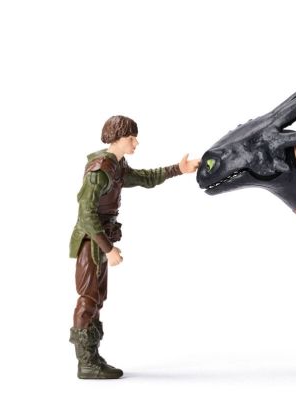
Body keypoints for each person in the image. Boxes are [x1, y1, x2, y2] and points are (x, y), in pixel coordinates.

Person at [68, 115, 200, 379]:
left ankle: (92, 358)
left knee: (97, 299)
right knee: (88, 299)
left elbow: (145, 178)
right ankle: (86, 363)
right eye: (131, 138)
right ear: (117, 138)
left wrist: (178, 169)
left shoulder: (116, 166)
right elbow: (86, 215)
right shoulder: (99, 171)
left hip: (101, 241)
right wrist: (108, 249)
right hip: (91, 242)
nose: (135, 143)